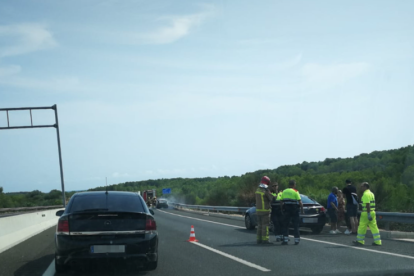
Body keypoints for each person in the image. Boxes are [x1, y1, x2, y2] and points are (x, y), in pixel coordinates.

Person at [281, 180, 303, 245]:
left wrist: (281, 209)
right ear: (294, 185)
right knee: (296, 225)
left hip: (286, 210)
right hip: (294, 210)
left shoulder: (284, 191)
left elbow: (281, 202)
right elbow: (300, 202)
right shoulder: (296, 191)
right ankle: (296, 240)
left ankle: (285, 239)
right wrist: (302, 210)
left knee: (285, 225)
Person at [255, 176, 274, 244]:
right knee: (265, 226)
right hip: (265, 211)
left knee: (259, 226)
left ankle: (259, 239)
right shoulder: (265, 190)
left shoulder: (258, 189)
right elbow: (271, 198)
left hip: (258, 211)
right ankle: (265, 240)